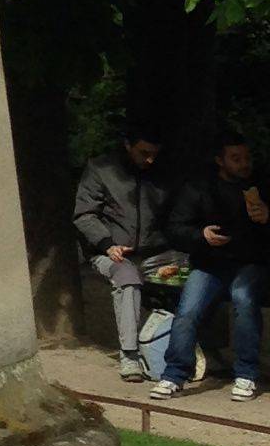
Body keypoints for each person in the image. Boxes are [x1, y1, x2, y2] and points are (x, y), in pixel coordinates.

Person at [152, 134, 270, 402]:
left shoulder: (261, 186)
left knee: (244, 298)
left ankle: (246, 374)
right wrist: (201, 235)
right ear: (220, 160)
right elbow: (175, 228)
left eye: (246, 158)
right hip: (211, 263)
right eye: (235, 159)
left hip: (251, 263)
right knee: (188, 310)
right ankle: (174, 375)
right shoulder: (198, 188)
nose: (243, 164)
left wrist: (267, 217)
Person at [71, 124, 175, 379]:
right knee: (127, 278)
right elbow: (84, 216)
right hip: (107, 252)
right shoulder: (100, 169)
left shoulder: (162, 173)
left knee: (197, 272)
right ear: (127, 145)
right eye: (143, 152)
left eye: (154, 154)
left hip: (153, 253)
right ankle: (129, 354)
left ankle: (194, 348)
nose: (149, 159)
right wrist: (107, 244)